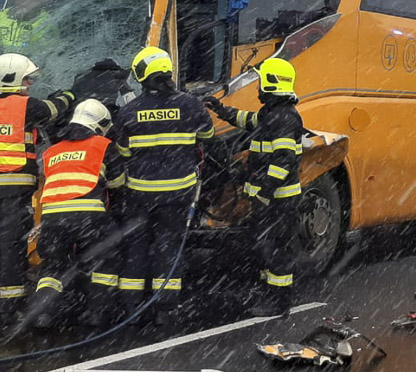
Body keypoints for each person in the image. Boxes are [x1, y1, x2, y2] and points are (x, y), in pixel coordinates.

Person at [0, 52, 75, 325]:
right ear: (14, 79)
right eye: (27, 79)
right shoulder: (24, 106)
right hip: (13, 191)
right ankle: (11, 308)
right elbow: (54, 110)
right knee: (12, 249)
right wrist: (69, 95)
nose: (30, 84)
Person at [114, 47, 215, 326]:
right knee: (168, 247)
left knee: (136, 247)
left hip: (140, 193)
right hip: (178, 192)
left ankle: (131, 307)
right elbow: (207, 135)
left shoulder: (128, 111)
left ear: (141, 76)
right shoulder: (190, 104)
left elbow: (121, 152)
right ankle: (166, 310)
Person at [204, 58, 303, 317]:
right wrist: (220, 109)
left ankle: (279, 303)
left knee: (277, 250)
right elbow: (246, 120)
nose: (258, 87)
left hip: (279, 200)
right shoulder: (272, 114)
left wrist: (264, 190)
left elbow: (283, 161)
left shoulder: (284, 119)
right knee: (264, 246)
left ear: (272, 84)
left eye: (261, 82)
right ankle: (268, 293)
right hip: (271, 200)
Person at [28, 98, 126, 329]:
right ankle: (96, 315)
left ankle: (43, 315)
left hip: (52, 218)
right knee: (104, 262)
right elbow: (117, 183)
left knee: (53, 267)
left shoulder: (52, 151)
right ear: (99, 125)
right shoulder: (102, 145)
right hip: (89, 216)